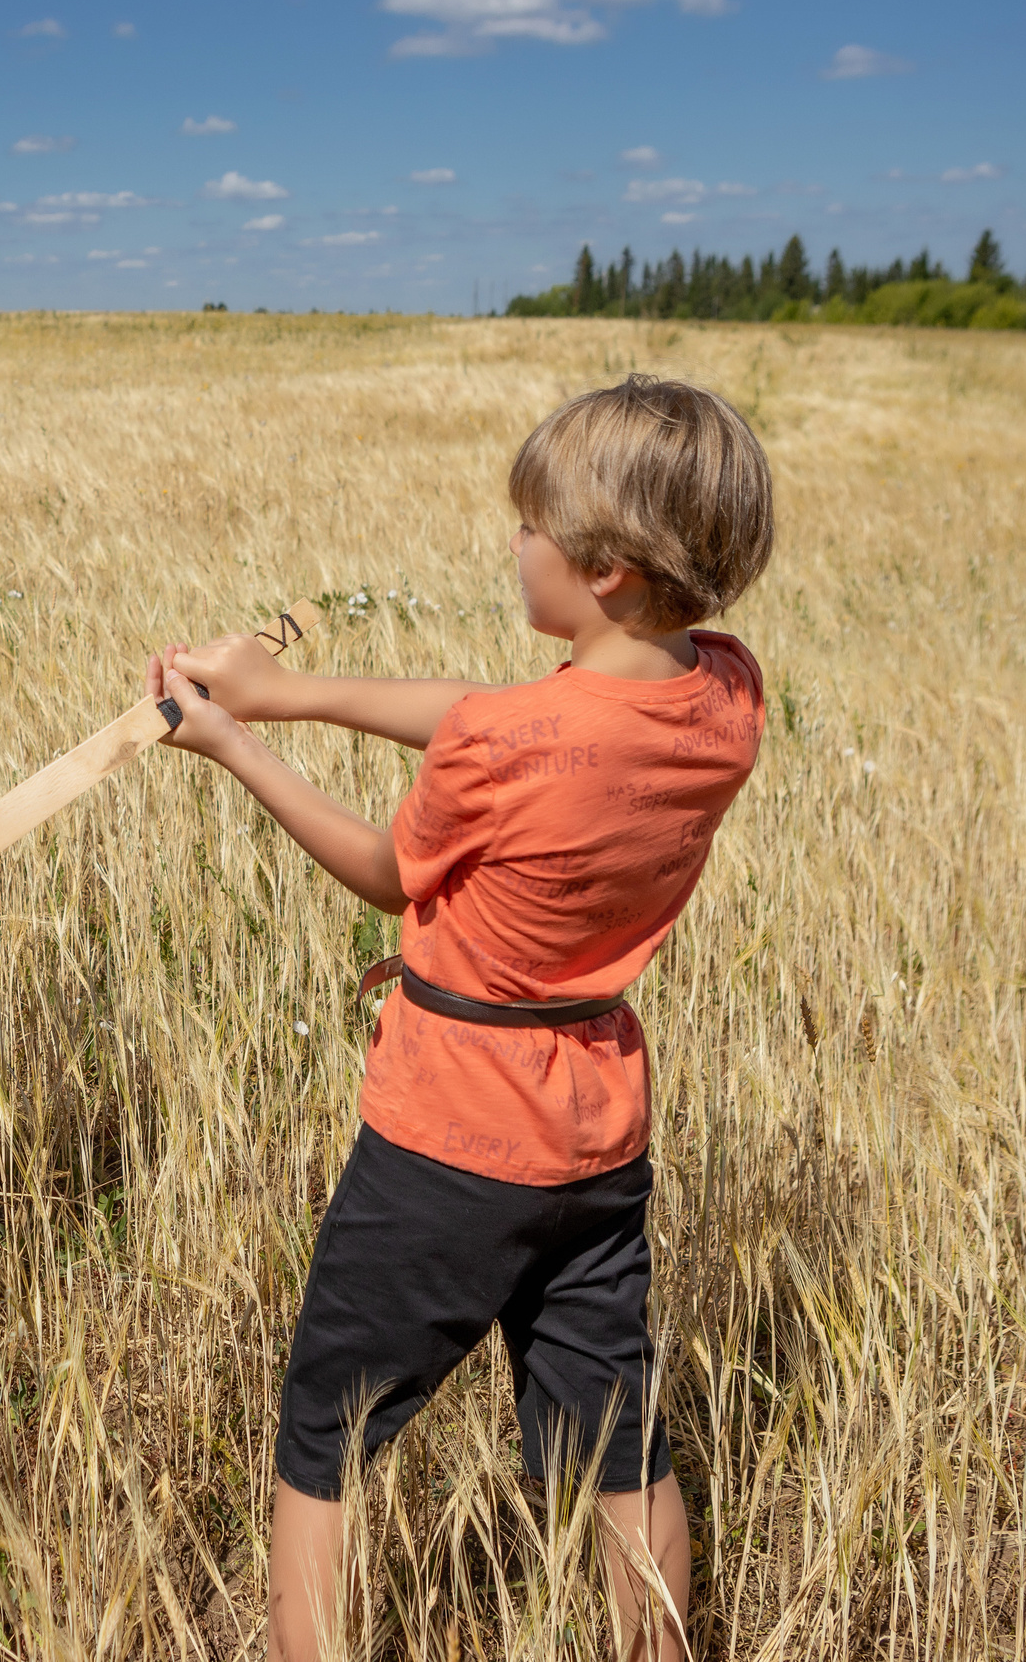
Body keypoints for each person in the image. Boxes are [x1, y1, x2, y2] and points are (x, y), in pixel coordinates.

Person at [147, 374, 774, 1661]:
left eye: (530, 527)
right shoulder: (724, 694)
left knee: (326, 1425)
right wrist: (287, 690)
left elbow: (389, 867)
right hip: (597, 1131)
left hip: (447, 1135)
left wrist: (234, 746)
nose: (513, 545)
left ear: (602, 569)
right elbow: (514, 720)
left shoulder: (502, 743)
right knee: (614, 1434)